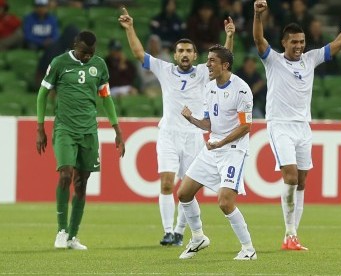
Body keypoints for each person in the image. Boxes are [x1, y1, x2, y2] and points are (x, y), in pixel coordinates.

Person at [252, 0, 341, 250]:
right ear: (284, 43)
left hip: (303, 127)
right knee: (291, 177)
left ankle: (291, 236)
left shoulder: (311, 59)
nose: (299, 46)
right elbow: (259, 40)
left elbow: (340, 43)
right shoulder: (272, 60)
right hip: (280, 124)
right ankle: (290, 231)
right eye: (294, 42)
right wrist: (257, 15)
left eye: (302, 42)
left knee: (302, 182)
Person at [119, 7, 235, 247]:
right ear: (174, 55)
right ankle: (168, 231)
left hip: (194, 135)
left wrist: (230, 36)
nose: (184, 54)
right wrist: (130, 28)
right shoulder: (165, 70)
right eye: (180, 50)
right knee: (167, 183)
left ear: (195, 56)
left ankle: (181, 231)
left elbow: (225, 60)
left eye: (189, 51)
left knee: (188, 188)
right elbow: (140, 54)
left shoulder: (204, 72)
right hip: (169, 134)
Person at [36, 30, 125, 250]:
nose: (87, 57)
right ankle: (61, 231)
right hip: (65, 129)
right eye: (85, 52)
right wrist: (40, 128)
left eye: (91, 53)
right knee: (65, 174)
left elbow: (106, 98)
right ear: (75, 45)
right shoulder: (59, 63)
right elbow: (42, 94)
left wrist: (117, 130)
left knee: (81, 183)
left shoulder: (99, 65)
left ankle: (73, 237)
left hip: (89, 132)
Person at [178, 44, 256, 260]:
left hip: (232, 149)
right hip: (213, 146)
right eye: (208, 59)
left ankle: (248, 249)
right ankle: (198, 237)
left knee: (225, 202)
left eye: (212, 60)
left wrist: (221, 142)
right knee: (183, 193)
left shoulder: (241, 89)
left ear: (225, 65)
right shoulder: (210, 87)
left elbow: (245, 127)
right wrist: (191, 118)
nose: (207, 64)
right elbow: (208, 123)